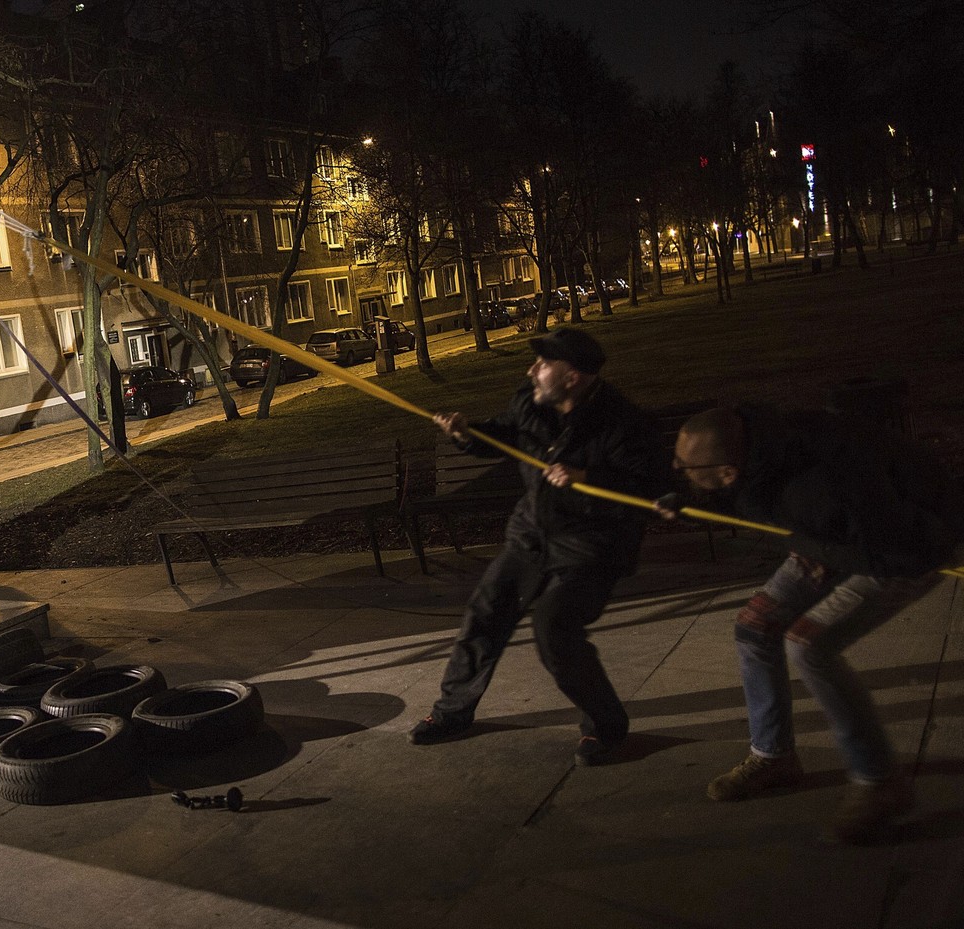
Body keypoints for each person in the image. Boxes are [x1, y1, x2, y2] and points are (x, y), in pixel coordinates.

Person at [659, 405, 963, 843]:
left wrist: (818, 549)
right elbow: (754, 492)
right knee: (754, 627)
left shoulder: (821, 487)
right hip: (837, 536)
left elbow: (894, 549)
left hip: (914, 544)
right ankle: (773, 756)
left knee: (809, 645)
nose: (677, 469)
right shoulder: (763, 439)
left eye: (686, 468)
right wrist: (689, 500)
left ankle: (880, 782)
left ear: (728, 471)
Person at [410, 328, 667, 765]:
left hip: (590, 545)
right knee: (484, 615)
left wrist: (588, 479)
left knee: (555, 629)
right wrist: (467, 433)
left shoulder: (622, 424)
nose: (532, 371)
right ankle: (453, 712)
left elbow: (650, 488)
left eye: (544, 365)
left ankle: (605, 729)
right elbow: (506, 434)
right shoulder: (530, 401)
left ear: (572, 378)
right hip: (531, 534)